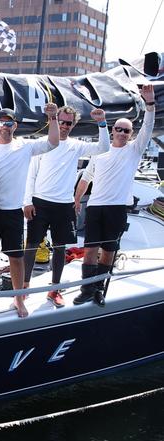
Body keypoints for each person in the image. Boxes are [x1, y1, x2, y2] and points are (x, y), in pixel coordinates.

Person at [73, 85, 156, 305]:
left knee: (108, 250)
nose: (121, 132)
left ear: (131, 135)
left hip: (117, 208)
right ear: (112, 131)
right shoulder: (100, 152)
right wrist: (77, 200)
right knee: (90, 249)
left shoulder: (134, 151)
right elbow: (85, 178)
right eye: (118, 129)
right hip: (95, 206)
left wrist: (149, 104)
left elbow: (148, 127)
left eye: (126, 130)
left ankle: (99, 288)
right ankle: (86, 289)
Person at [23, 106, 109, 307]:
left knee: (60, 248)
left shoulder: (77, 145)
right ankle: (24, 289)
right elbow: (31, 175)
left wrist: (102, 123)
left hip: (64, 204)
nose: (63, 125)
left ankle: (54, 290)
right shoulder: (42, 145)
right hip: (39, 201)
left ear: (73, 125)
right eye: (60, 121)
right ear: (54, 120)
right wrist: (27, 201)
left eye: (68, 123)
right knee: (32, 246)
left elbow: (103, 148)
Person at [0, 105, 59, 317]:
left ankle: (18, 298)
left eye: (9, 123)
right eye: (1, 123)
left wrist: (52, 117)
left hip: (13, 211)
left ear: (15, 126)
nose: (5, 127)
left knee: (16, 258)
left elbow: (53, 142)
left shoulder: (25, 146)